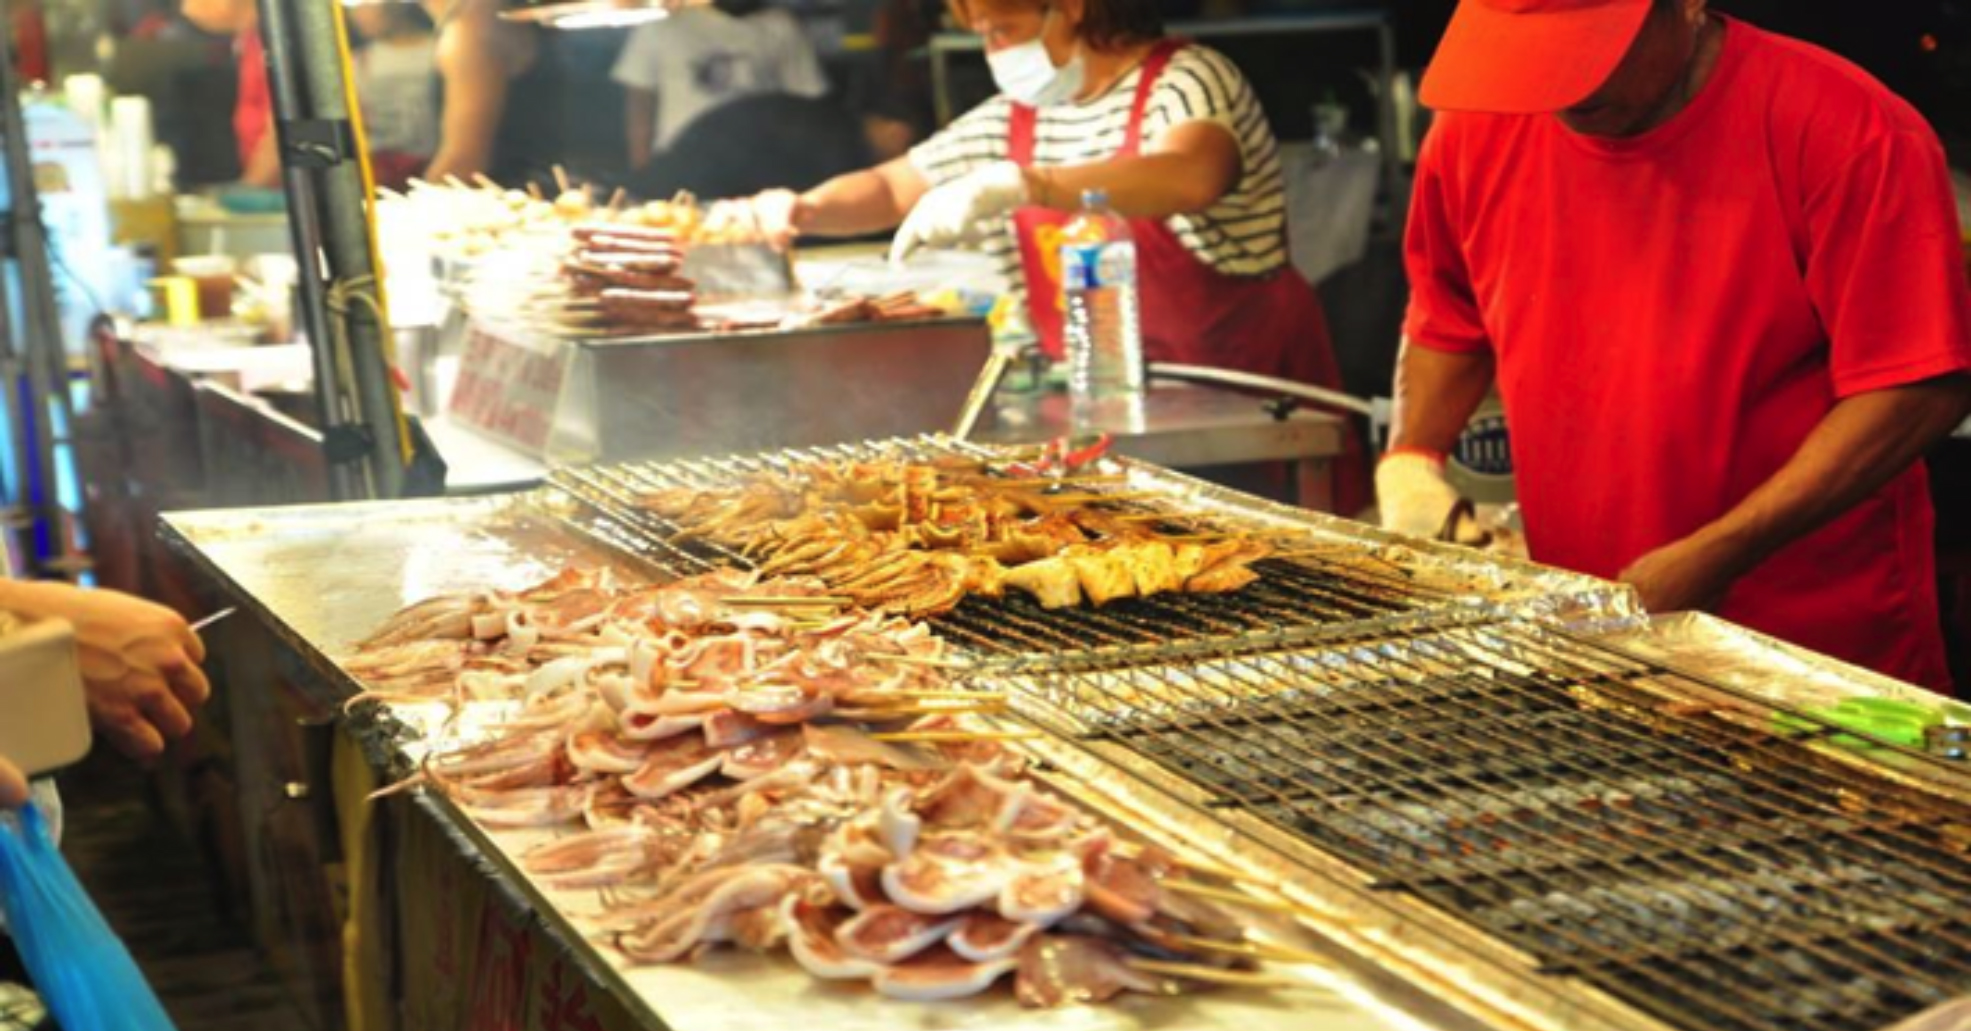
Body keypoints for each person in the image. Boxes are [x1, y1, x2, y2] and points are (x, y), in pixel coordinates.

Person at [1379, 0, 1971, 688]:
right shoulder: (1479, 123)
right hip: (1584, 634)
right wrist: (1411, 459)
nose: (1561, 89)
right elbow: (1449, 315)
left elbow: (1916, 388)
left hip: (1813, 648)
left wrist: (1724, 549)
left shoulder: (1847, 128)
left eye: (1585, 49)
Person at [742, 0, 1349, 399]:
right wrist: (804, 209)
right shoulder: (1016, 117)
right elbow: (893, 187)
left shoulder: (1188, 78)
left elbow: (1193, 176)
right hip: (1099, 392)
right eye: (982, 36)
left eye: (1003, 29)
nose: (994, 52)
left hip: (1244, 392)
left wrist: (1029, 185)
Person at [611, 0, 829, 173]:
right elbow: (639, 101)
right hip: (681, 162)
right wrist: (641, 166)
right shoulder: (662, 24)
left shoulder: (781, 25)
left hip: (760, 163)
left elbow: (807, 106)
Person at [423, 0, 566, 185]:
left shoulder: (473, 25)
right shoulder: (486, 14)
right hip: (544, 185)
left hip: (509, 192)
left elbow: (463, 162)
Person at [182, 0, 279, 187]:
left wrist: (250, 188)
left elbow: (282, 128)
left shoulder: (271, 40)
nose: (187, 9)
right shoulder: (247, 41)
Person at [348, 2, 439, 191]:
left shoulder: (443, 50)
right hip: (379, 174)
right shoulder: (358, 61)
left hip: (435, 166)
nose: (359, 15)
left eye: (367, 4)